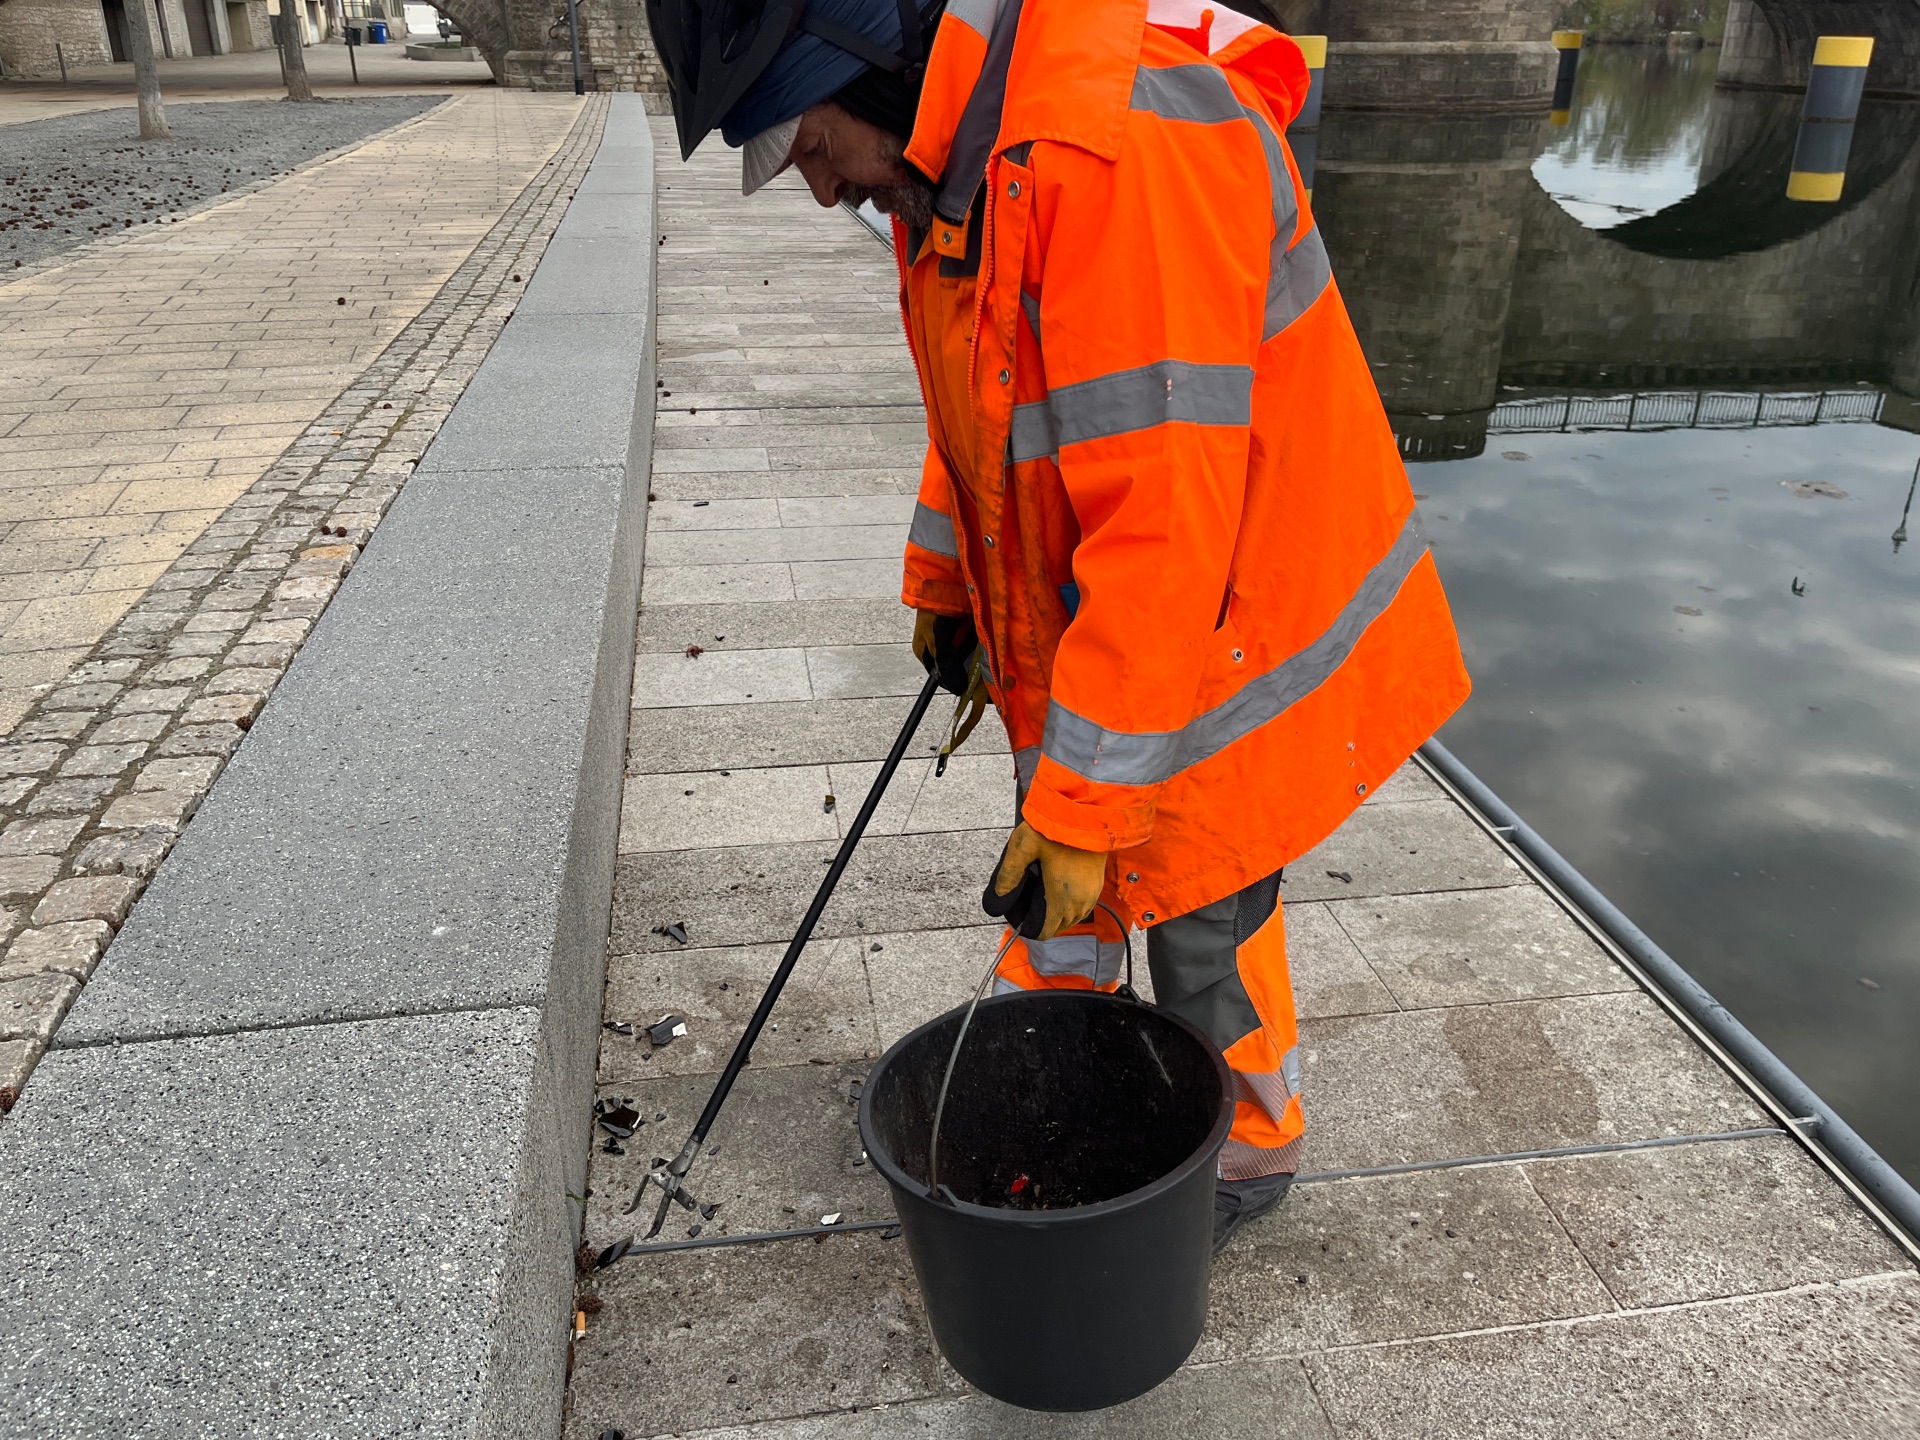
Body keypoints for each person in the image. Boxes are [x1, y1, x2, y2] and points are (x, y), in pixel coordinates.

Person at [646, 0, 1471, 1252]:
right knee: (1067, 849)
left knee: (1199, 889)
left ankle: (1246, 1147)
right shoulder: (950, 165)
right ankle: (1059, 1052)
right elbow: (978, 409)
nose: (820, 188)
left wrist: (1087, 805)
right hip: (1106, 606)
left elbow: (1166, 523)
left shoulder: (1128, 149)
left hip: (1234, 608)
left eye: (809, 144)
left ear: (866, 68)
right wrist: (946, 587)